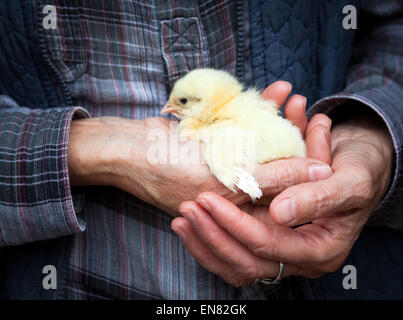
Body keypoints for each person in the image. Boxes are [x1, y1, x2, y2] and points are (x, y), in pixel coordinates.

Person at [0, 0, 402, 299]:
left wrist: (373, 133)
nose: (169, 111)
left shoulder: (217, 135)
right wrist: (87, 146)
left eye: (182, 104)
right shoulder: (240, 113)